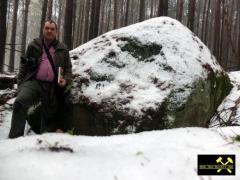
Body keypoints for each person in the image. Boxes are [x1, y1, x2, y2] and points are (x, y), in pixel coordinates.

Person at [8, 20, 72, 138]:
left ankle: (43, 146)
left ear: (56, 31)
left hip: (52, 86)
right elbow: (24, 65)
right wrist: (21, 84)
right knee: (20, 102)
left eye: (52, 29)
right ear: (43, 29)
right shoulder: (34, 45)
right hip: (34, 81)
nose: (49, 31)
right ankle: (14, 139)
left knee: (48, 116)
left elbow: (68, 68)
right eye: (47, 28)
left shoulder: (63, 48)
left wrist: (66, 80)